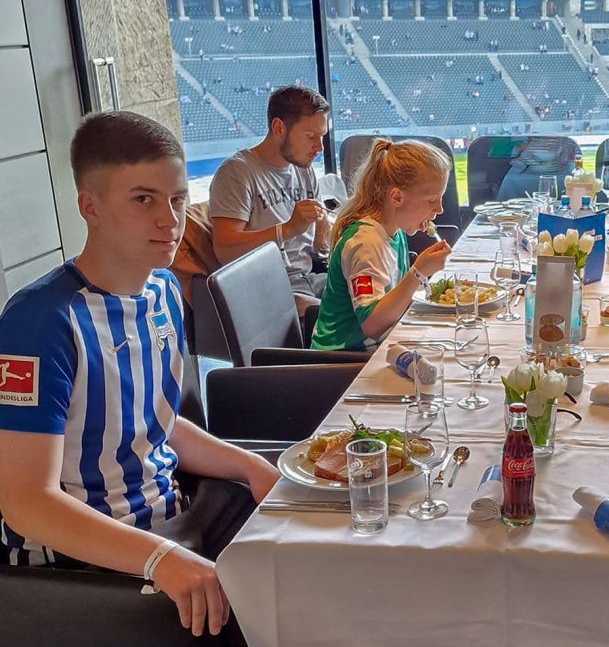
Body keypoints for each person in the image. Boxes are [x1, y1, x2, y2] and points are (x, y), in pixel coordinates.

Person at [0, 111, 280, 638]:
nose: (169, 221)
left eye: (176, 200)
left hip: (174, 517)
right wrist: (160, 560)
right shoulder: (40, 321)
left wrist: (252, 467)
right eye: (143, 199)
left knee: (309, 543)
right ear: (91, 206)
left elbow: (158, 421)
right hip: (92, 566)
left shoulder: (163, 292)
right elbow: (24, 502)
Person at [311, 139, 453, 351]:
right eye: (432, 200)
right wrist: (418, 273)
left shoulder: (396, 231)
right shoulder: (365, 243)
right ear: (396, 197)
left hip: (378, 349)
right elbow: (372, 324)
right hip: (343, 361)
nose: (440, 209)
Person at [209, 84, 331, 313]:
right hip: (267, 291)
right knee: (345, 319)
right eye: (311, 137)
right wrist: (287, 229)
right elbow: (224, 248)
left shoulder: (303, 169)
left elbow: (320, 244)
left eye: (322, 137)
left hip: (309, 280)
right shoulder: (237, 173)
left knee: (372, 297)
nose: (319, 147)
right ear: (279, 128)